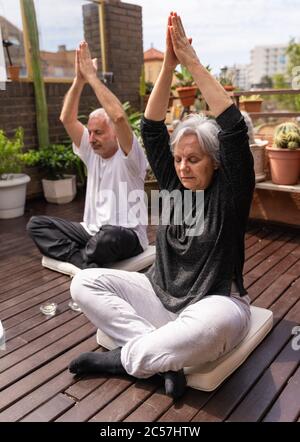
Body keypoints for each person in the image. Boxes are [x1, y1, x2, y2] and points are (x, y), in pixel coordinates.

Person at [68, 13, 255, 400]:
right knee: (84, 282)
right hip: (159, 296)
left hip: (215, 303)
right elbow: (151, 127)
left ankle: (122, 359)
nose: (184, 167)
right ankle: (162, 357)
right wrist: (167, 67)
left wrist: (189, 62)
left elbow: (234, 129)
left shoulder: (231, 192)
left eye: (195, 159)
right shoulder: (172, 183)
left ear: (216, 162)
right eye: (179, 158)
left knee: (209, 328)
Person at [27, 42, 148, 269]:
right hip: (90, 231)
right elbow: (67, 119)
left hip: (126, 235)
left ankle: (82, 256)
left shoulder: (130, 157)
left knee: (108, 237)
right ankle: (83, 261)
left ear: (114, 134)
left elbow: (120, 117)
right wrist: (79, 80)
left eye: (98, 133)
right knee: (37, 225)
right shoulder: (92, 151)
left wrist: (93, 78)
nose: (91, 138)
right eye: (90, 132)